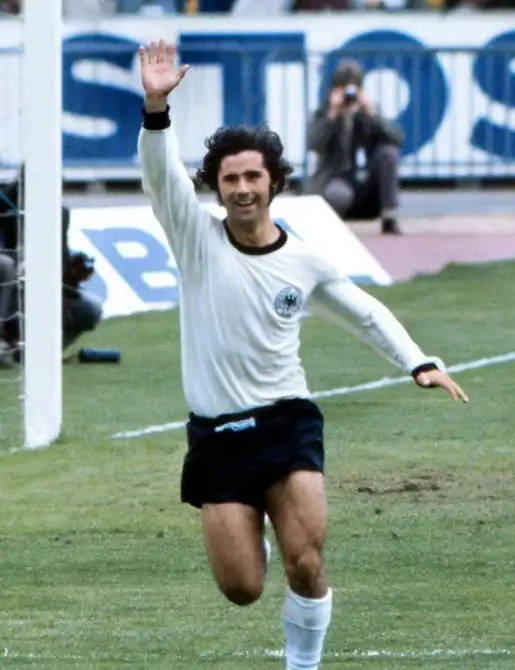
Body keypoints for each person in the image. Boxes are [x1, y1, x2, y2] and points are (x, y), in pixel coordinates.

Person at [138, 39, 468, 670]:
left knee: (307, 561)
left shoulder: (305, 260)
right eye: (230, 179)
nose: (242, 189)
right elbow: (160, 178)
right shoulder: (194, 238)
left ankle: (303, 664)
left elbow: (364, 312)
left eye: (252, 177)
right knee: (242, 588)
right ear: (215, 187)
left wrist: (418, 362)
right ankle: (252, 528)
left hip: (288, 424)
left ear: (274, 183)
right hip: (217, 436)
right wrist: (156, 109)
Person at [0, 173, 102, 360]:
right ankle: (5, 340)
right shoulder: (10, 207)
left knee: (92, 308)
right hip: (12, 285)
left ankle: (43, 352)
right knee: (8, 267)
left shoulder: (61, 214)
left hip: (41, 286)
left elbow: (61, 258)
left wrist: (72, 272)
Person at [307, 59, 404, 234]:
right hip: (336, 178)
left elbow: (396, 139)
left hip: (365, 180)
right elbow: (313, 144)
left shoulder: (367, 113)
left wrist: (371, 113)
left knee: (388, 152)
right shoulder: (323, 113)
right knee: (337, 195)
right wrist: (332, 115)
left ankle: (389, 215)